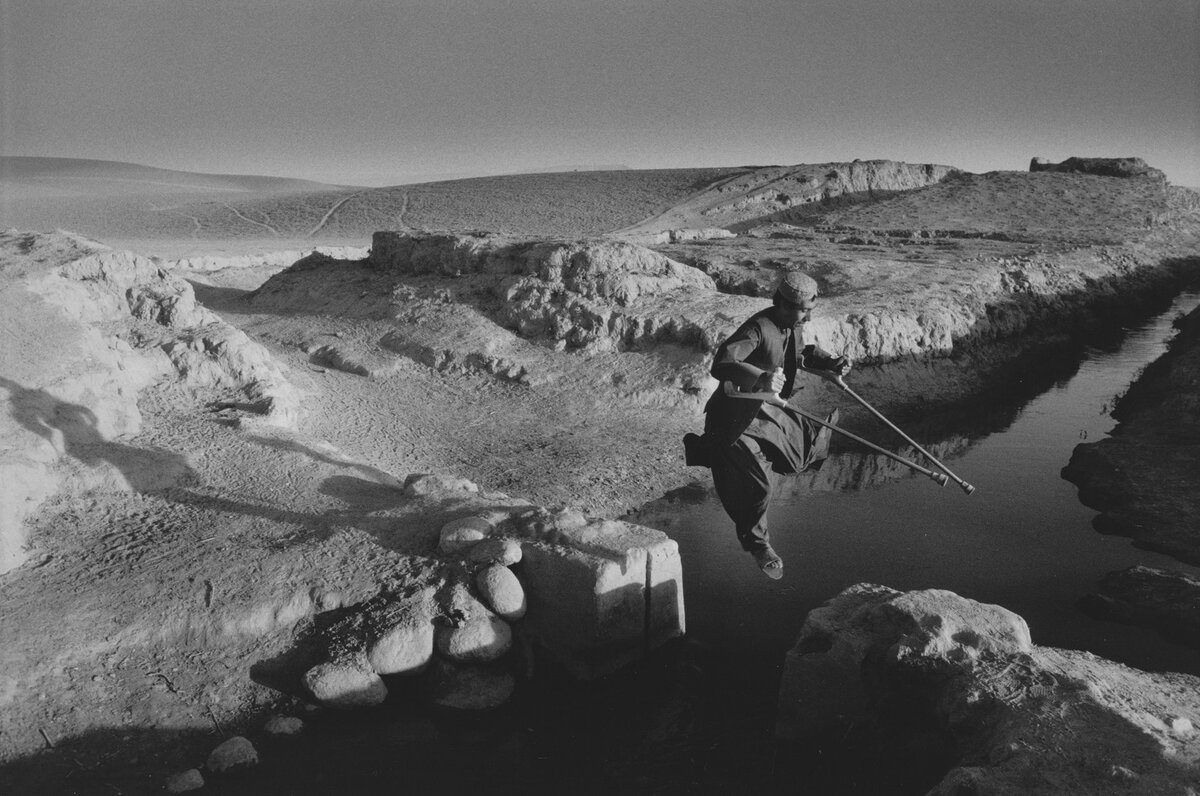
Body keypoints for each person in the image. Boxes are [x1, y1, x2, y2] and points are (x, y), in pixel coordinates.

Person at [684, 271, 852, 579]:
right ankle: (758, 544)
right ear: (785, 305)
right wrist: (758, 376)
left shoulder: (792, 326)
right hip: (734, 418)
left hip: (763, 409)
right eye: (804, 310)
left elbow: (801, 355)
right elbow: (721, 363)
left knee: (803, 448)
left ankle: (753, 457)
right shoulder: (758, 328)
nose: (809, 316)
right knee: (759, 487)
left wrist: (830, 363)